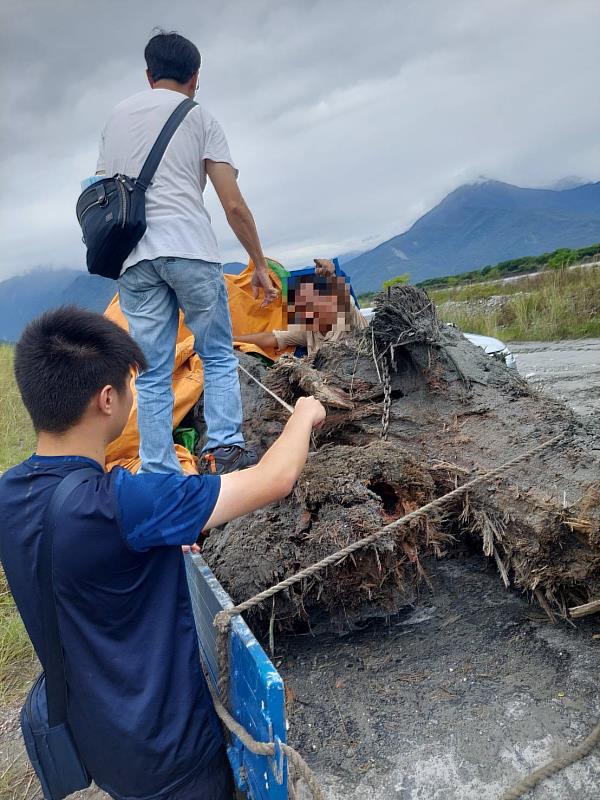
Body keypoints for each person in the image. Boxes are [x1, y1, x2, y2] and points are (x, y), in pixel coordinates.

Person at [0, 307, 325, 800]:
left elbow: (78, 565)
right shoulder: (123, 503)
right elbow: (273, 479)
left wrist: (152, 547)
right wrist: (304, 415)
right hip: (172, 756)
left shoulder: (11, 492)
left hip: (100, 742)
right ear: (107, 399)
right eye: (130, 384)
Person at [97, 30, 277, 475]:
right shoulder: (199, 118)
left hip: (135, 257)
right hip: (190, 249)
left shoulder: (115, 120)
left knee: (154, 370)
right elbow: (232, 202)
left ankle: (159, 470)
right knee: (215, 352)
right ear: (195, 77)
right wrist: (257, 262)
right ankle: (226, 451)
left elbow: (102, 192)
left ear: (148, 74)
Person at [236, 259, 368, 357]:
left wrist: (331, 275)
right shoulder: (308, 331)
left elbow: (344, 301)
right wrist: (232, 340)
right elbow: (272, 338)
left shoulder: (348, 318)